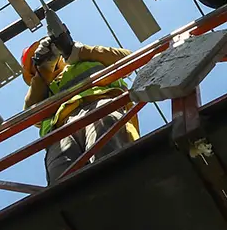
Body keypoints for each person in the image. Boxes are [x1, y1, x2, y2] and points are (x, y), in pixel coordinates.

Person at [22, 33, 139, 185]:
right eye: (34, 58)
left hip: (99, 105)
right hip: (60, 130)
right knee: (63, 179)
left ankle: (121, 188)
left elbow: (128, 58)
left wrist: (76, 51)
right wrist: (44, 70)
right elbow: (31, 113)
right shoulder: (41, 89)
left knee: (109, 157)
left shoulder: (86, 60)